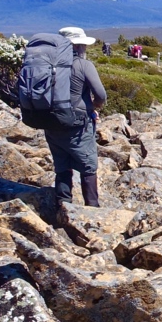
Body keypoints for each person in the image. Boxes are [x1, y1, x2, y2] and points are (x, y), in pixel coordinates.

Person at [50, 26, 107, 207]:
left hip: (50, 121)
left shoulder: (48, 64)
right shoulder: (83, 65)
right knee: (88, 164)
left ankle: (62, 206)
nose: (85, 48)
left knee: (61, 164)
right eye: (83, 45)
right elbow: (101, 95)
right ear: (77, 46)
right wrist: (94, 106)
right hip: (77, 124)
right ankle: (92, 210)